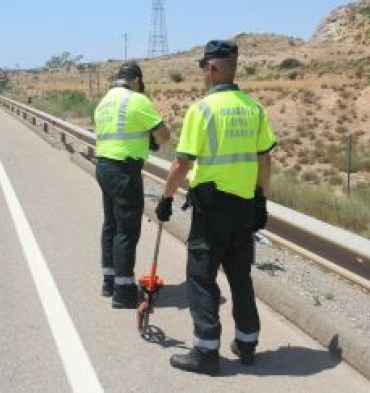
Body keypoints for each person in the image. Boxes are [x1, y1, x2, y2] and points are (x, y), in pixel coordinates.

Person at [155, 40, 276, 374]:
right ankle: (247, 343)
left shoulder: (202, 110)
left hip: (212, 209)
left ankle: (206, 352)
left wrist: (165, 200)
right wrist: (262, 199)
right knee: (240, 275)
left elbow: (181, 164)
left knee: (200, 276)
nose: (202, 75)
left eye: (203, 69)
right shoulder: (254, 108)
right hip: (244, 206)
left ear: (212, 69)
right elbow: (265, 158)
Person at [94, 61, 170, 309]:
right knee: (127, 229)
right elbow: (164, 136)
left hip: (104, 165)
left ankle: (109, 280)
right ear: (136, 80)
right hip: (124, 169)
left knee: (111, 224)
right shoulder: (137, 100)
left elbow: (120, 133)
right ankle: (125, 291)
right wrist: (152, 140)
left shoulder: (104, 101)